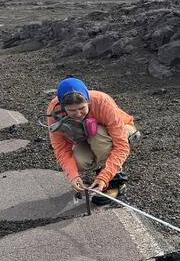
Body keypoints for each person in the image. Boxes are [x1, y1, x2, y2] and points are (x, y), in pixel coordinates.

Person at [46, 77, 137, 205]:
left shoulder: (101, 102)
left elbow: (121, 146)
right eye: (71, 111)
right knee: (80, 161)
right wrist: (73, 175)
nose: (78, 114)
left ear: (88, 102)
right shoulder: (54, 110)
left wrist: (105, 177)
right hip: (86, 136)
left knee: (97, 133)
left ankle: (115, 181)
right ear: (62, 107)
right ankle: (103, 169)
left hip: (122, 130)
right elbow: (60, 148)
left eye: (82, 108)